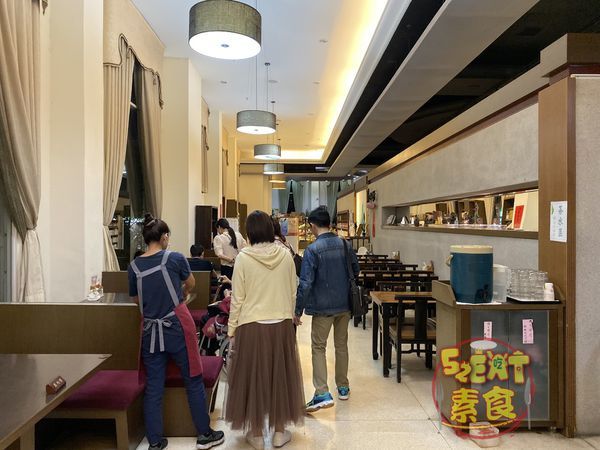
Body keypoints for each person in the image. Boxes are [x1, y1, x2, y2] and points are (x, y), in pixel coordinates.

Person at [128, 214, 225, 450]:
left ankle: (155, 441)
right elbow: (191, 283)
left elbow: (136, 300)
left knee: (154, 385)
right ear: (164, 237)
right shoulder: (175, 258)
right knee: (193, 377)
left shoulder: (134, 267)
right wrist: (180, 291)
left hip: (150, 330)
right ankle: (204, 434)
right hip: (177, 326)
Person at [225, 210, 304, 450]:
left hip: (251, 325)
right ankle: (279, 432)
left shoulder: (243, 258)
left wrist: (231, 330)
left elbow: (238, 298)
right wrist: (290, 315)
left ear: (249, 232)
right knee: (280, 376)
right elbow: (293, 291)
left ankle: (257, 434)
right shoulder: (286, 255)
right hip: (281, 324)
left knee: (253, 377)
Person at [295, 207, 359, 413]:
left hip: (322, 308)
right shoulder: (345, 244)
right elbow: (356, 270)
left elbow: (305, 283)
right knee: (341, 346)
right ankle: (343, 386)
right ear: (329, 224)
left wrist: (297, 310)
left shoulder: (312, 250)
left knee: (318, 347)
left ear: (313, 226)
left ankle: (322, 392)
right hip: (344, 305)